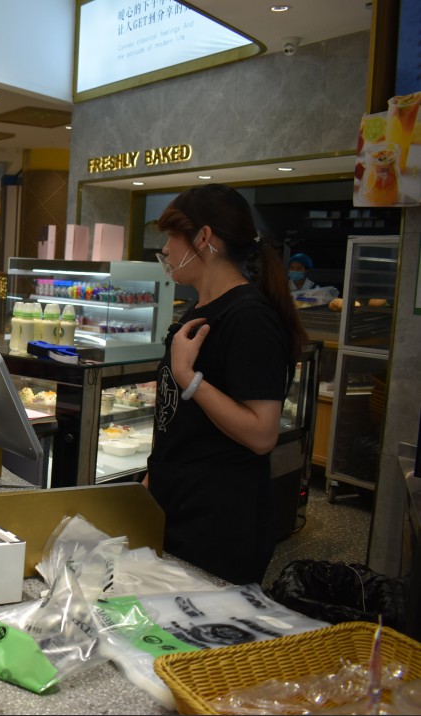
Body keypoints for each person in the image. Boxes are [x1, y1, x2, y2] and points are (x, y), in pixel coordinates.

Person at [147, 183, 306, 586]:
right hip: (176, 508)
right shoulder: (197, 308)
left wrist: (189, 378)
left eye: (172, 236)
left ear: (204, 237)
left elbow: (262, 433)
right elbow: (180, 422)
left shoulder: (249, 318)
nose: (165, 249)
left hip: (218, 524)